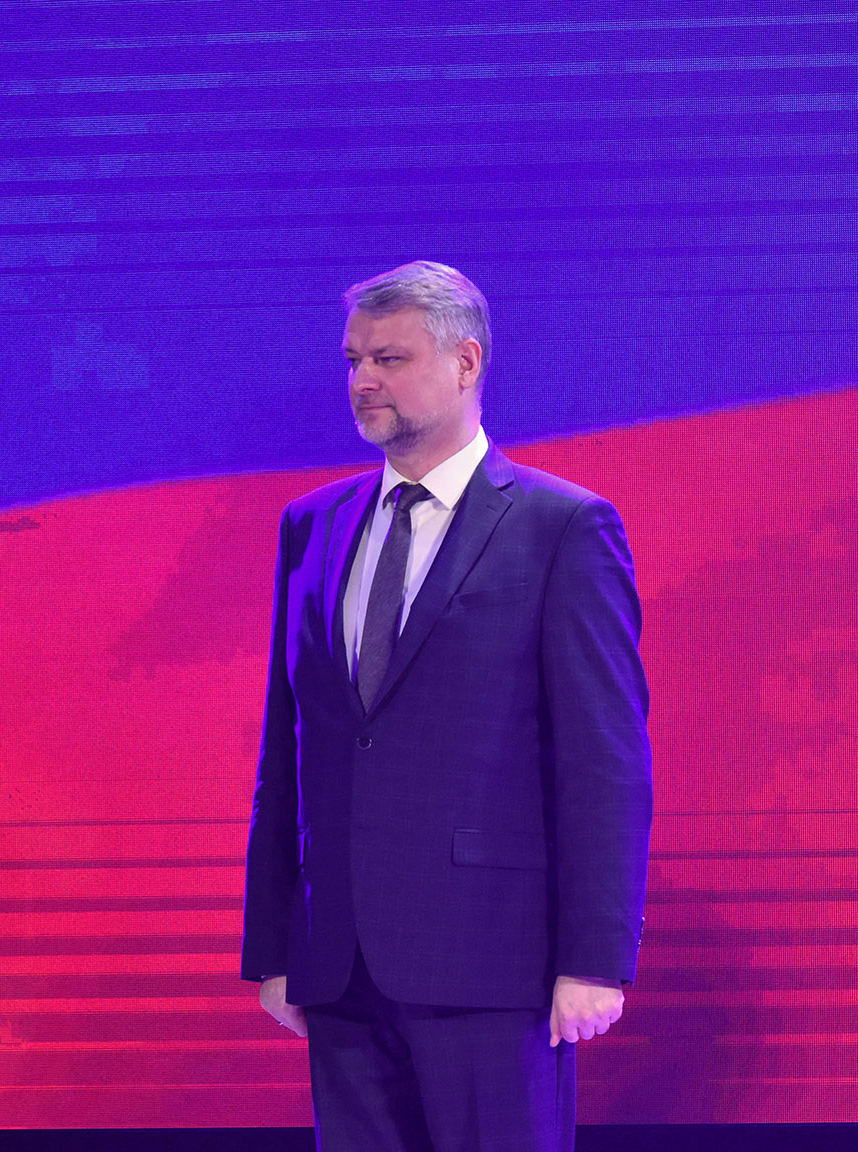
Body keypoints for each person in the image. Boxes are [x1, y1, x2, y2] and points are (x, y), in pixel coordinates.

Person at [240, 262, 652, 1150]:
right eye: (354, 360)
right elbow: (290, 744)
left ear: (466, 363)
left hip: (493, 964)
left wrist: (595, 959)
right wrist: (273, 943)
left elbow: (603, 761)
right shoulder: (312, 524)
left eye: (388, 359)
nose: (363, 380)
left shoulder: (562, 526)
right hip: (339, 963)